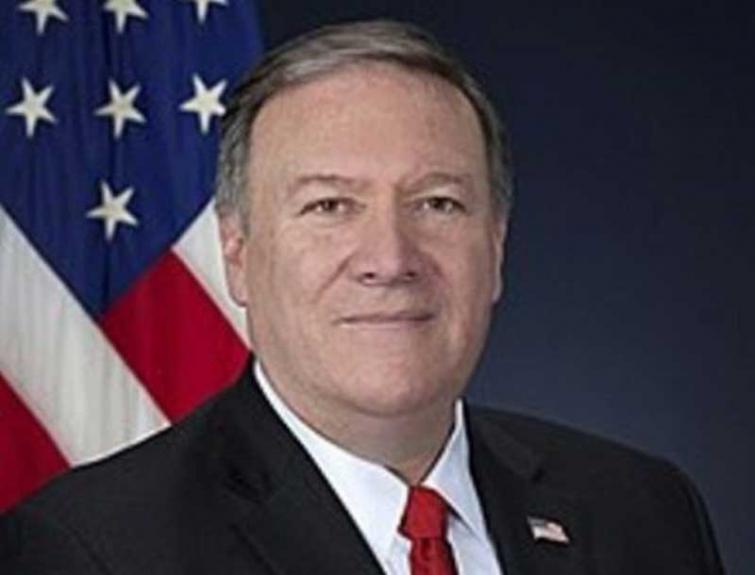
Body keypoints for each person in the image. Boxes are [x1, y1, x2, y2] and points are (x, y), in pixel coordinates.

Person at [1, 20, 724, 575]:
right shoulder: (93, 551)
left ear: (496, 246)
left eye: (437, 203)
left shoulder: (644, 513)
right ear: (238, 252)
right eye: (330, 206)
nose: (390, 259)